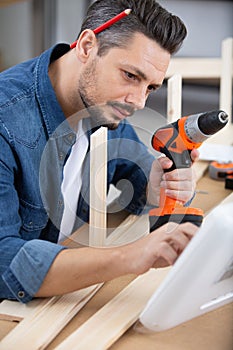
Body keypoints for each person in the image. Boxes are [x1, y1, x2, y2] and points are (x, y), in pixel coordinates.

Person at [0, 0, 198, 303]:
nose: (139, 102)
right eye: (131, 76)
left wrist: (157, 187)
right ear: (87, 46)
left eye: (150, 87)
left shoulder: (100, 107)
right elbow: (5, 261)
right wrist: (130, 256)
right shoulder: (6, 121)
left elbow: (135, 170)